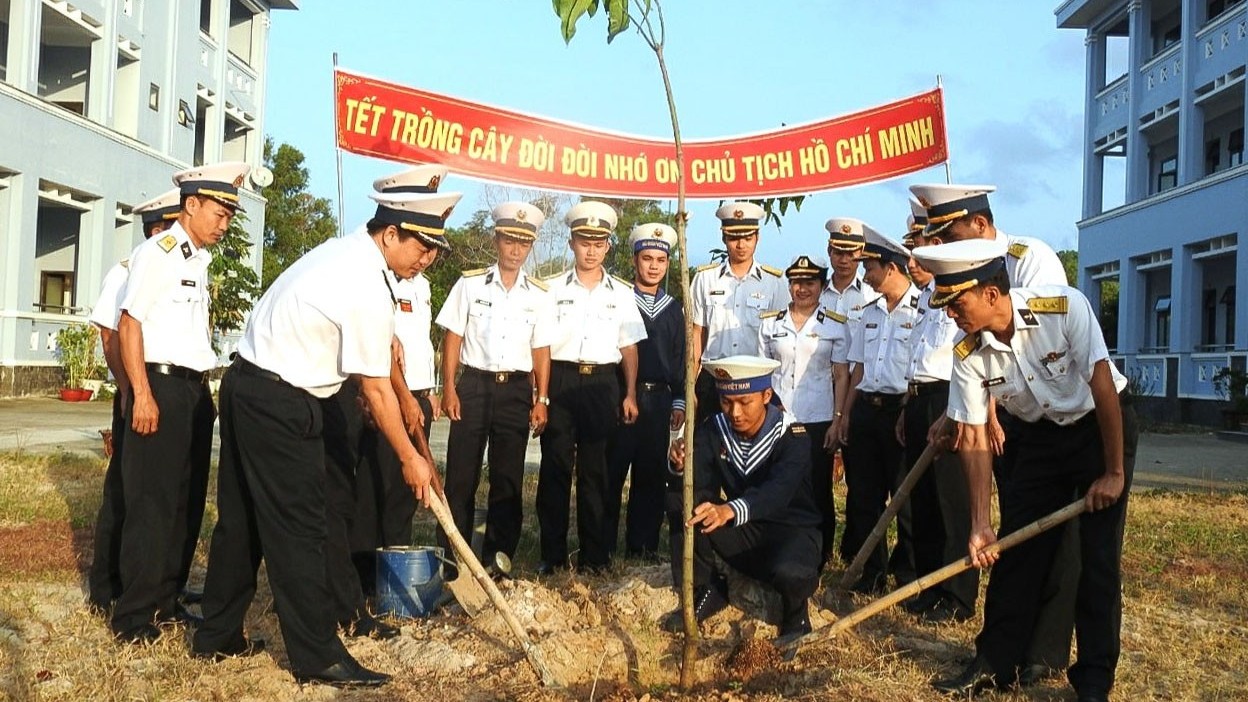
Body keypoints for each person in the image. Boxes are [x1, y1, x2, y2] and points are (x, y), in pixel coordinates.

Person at [192, 189, 460, 687]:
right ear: (391, 233)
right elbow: (377, 390)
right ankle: (317, 656)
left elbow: (367, 368)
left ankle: (217, 634)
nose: (426, 260)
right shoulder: (364, 279)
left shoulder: (344, 253)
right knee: (301, 530)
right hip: (279, 401)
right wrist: (410, 458)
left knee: (244, 521)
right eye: (421, 247)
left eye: (434, 252)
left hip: (248, 385)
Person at [913, 239, 1136, 702]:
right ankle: (993, 663)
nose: (951, 313)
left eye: (958, 303)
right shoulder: (968, 352)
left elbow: (1102, 385)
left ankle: (1094, 680)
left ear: (992, 294)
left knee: (1097, 558)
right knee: (1017, 551)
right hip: (1041, 436)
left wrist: (1113, 472)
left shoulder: (1063, 307)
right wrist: (979, 524)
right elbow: (973, 438)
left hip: (1100, 427)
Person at [912, 182, 1077, 685]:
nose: (943, 247)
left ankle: (1044, 658)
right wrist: (965, 413)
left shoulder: (1033, 260)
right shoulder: (963, 277)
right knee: (1013, 539)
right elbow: (973, 351)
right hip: (1013, 416)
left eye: (952, 234)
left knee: (1061, 544)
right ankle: (995, 658)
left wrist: (987, 409)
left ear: (980, 227)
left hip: (1061, 423)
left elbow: (1030, 345)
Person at [110, 163, 248, 643]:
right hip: (161, 385)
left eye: (230, 213)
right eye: (220, 211)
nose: (225, 222)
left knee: (186, 503)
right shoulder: (160, 252)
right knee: (152, 503)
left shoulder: (197, 260)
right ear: (191, 205)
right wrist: (141, 393)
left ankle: (165, 603)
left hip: (193, 389)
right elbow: (130, 325)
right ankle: (132, 616)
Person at [663, 355, 822, 647]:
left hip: (791, 534)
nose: (735, 412)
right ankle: (707, 588)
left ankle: (795, 616)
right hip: (743, 535)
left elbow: (778, 492)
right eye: (726, 402)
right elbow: (696, 478)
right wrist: (680, 463)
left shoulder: (793, 437)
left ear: (766, 396)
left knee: (791, 574)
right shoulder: (716, 428)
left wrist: (728, 510)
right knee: (683, 499)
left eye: (744, 402)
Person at [436, 200, 554, 579]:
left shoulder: (538, 294)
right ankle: (452, 560)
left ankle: (498, 562)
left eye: (523, 244)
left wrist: (542, 399)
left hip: (516, 391)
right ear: (496, 239)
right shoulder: (469, 284)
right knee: (460, 477)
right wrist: (450, 388)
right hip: (474, 385)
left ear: (530, 247)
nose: (515, 250)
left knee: (507, 480)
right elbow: (452, 338)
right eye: (509, 241)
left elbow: (542, 351)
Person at [536, 200, 646, 574]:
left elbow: (628, 347)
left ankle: (594, 557)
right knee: (554, 469)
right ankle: (551, 557)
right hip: (563, 380)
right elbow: (544, 347)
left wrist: (629, 393)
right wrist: (543, 396)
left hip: (603, 384)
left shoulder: (622, 292)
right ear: (572, 243)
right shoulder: (550, 289)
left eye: (599, 243)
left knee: (596, 473)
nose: (591, 250)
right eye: (585, 242)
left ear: (608, 246)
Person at [352, 166, 447, 595]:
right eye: (422, 243)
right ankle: (363, 577)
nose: (426, 255)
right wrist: (405, 398)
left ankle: (395, 572)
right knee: (375, 488)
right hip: (388, 400)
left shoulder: (420, 282)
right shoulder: (375, 273)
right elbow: (383, 350)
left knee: (403, 496)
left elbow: (417, 343)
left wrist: (425, 397)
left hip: (416, 398)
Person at [87, 188, 180, 614]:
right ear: (158, 227)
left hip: (158, 387)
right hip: (136, 389)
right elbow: (110, 335)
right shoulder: (126, 270)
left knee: (156, 492)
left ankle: (155, 583)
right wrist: (128, 389)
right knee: (125, 492)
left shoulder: (177, 264)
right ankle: (107, 586)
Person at [896, 198, 977, 623]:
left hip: (951, 399)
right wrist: (906, 407)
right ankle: (927, 587)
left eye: (921, 244)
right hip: (919, 399)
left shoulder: (957, 291)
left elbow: (967, 357)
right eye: (910, 247)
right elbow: (917, 359)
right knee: (923, 502)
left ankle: (958, 595)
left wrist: (961, 412)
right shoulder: (926, 298)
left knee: (952, 502)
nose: (912, 257)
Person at [835, 223, 920, 594]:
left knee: (906, 497)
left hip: (900, 411)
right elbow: (858, 369)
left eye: (869, 268)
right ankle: (871, 572)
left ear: (891, 268)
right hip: (867, 412)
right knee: (863, 495)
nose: (865, 276)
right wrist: (846, 417)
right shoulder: (867, 314)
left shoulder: (922, 311)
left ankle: (908, 575)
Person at [758, 255, 849, 566]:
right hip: (778, 417)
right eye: (797, 283)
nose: (802, 289)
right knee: (777, 482)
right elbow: (763, 370)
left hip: (818, 417)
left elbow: (840, 375)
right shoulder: (770, 322)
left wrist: (838, 421)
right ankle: (779, 544)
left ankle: (820, 553)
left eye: (810, 283)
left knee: (817, 487)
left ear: (821, 286)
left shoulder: (835, 326)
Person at [605, 222, 685, 561]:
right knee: (611, 472)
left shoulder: (674, 309)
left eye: (660, 260)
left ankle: (643, 548)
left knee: (651, 476)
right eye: (647, 258)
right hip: (624, 394)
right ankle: (603, 548)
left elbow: (681, 357)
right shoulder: (618, 299)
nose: (653, 266)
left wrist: (678, 400)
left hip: (659, 399)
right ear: (634, 260)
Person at [689, 202, 789, 421]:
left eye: (748, 238)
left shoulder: (775, 282)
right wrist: (690, 387)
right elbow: (697, 333)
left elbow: (781, 337)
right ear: (723, 238)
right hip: (713, 379)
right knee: (708, 448)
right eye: (734, 238)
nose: (741, 245)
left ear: (757, 237)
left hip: (755, 381)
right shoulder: (705, 278)